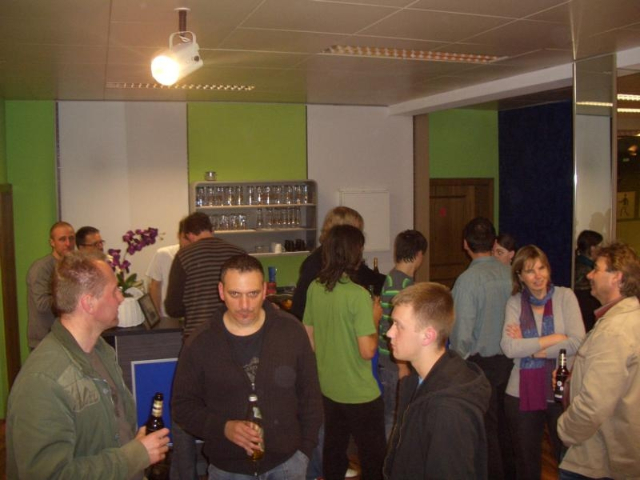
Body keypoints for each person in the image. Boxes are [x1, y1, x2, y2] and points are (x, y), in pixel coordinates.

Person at [6, 251, 170, 479]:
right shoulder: (42, 382)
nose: (121, 298)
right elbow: (48, 475)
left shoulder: (102, 351)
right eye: (114, 291)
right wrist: (135, 456)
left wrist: (137, 448)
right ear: (89, 303)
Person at [172, 254, 322, 479]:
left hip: (288, 464)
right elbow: (182, 407)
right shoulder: (200, 343)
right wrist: (223, 427)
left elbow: (311, 397)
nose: (245, 305)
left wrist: (304, 452)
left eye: (253, 294)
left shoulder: (291, 331)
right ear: (221, 291)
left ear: (265, 290)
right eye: (235, 294)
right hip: (227, 469)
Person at [165, 211, 245, 479]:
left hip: (197, 345)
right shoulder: (237, 253)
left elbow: (173, 307)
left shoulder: (184, 256)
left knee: (183, 410)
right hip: (236, 344)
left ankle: (187, 473)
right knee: (233, 409)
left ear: (188, 235)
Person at [303, 224, 387, 480]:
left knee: (334, 451)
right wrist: (375, 318)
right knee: (374, 459)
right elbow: (367, 350)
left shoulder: (315, 288)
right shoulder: (357, 295)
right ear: (354, 253)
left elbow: (309, 341)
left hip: (329, 388)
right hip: (359, 392)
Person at [383, 282, 491, 479]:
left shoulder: (448, 411)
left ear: (428, 336)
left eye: (399, 325)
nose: (389, 333)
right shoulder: (417, 381)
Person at [500, 245, 585, 480]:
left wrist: (533, 350)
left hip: (560, 388)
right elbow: (509, 348)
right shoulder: (514, 303)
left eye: (541, 268)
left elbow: (578, 342)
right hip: (520, 392)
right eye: (530, 271)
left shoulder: (565, 297)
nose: (538, 276)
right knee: (526, 464)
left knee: (567, 459)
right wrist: (555, 339)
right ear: (520, 276)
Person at [557, 243, 640, 480]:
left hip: (597, 457)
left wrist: (564, 430)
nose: (589, 275)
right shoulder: (625, 318)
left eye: (596, 269)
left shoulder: (614, 330)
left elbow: (593, 405)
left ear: (617, 277)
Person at [450, 216, 514, 480]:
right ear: (494, 242)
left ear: (465, 244)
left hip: (481, 366)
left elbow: (462, 332)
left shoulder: (467, 281)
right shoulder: (510, 274)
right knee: (508, 429)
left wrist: (456, 365)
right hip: (512, 362)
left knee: (485, 432)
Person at [290, 206, 385, 321]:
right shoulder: (315, 263)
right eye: (356, 231)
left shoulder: (337, 259)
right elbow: (300, 308)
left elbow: (372, 278)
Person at [379, 229, 427, 437]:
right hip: (395, 364)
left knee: (393, 414)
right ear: (418, 255)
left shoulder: (393, 278)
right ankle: (392, 455)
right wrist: (402, 366)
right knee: (394, 416)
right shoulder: (403, 286)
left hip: (389, 361)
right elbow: (394, 328)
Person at [26, 221, 76, 349]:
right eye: (62, 239)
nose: (68, 243)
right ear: (52, 243)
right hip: (45, 342)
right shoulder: (41, 268)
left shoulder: (73, 266)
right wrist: (74, 297)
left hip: (68, 339)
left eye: (71, 238)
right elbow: (42, 305)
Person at [145, 219, 188, 317]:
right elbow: (155, 286)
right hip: (167, 316)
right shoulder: (163, 254)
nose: (187, 242)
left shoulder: (198, 256)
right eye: (185, 237)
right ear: (178, 235)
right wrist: (157, 315)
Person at [573, 230, 603, 332]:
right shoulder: (586, 270)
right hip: (587, 313)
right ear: (592, 248)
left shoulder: (574, 263)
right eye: (600, 246)